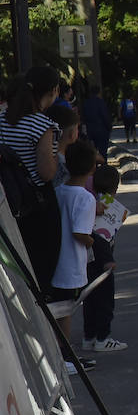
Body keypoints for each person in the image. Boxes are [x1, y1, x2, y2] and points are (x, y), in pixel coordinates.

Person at [0, 67, 62, 306]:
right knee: (42, 270)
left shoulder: (3, 120)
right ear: (54, 91)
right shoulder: (42, 124)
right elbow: (47, 173)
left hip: (10, 200)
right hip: (38, 207)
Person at [53, 140, 99, 373]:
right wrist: (95, 243)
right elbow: (81, 233)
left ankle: (61, 354)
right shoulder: (86, 197)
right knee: (66, 312)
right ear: (92, 168)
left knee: (58, 309)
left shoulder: (58, 190)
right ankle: (64, 357)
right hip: (71, 263)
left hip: (54, 260)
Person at [83, 164, 127, 352]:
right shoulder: (104, 204)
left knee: (89, 298)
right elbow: (100, 238)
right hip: (102, 260)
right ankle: (103, 338)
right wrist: (108, 259)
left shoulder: (89, 200)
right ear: (114, 189)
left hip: (86, 259)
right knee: (105, 300)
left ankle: (89, 336)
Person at [81, 85, 112, 160]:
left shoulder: (86, 103)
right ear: (99, 92)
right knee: (103, 151)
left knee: (92, 151)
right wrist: (109, 127)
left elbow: (83, 117)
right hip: (102, 130)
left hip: (90, 130)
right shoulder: (101, 102)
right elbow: (105, 116)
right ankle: (103, 167)